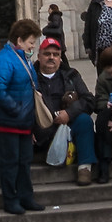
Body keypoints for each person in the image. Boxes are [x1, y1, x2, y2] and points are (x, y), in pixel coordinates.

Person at [0, 16, 44, 215]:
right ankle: (11, 199)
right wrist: (18, 110)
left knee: (24, 161)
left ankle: (26, 197)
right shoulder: (3, 60)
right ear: (19, 40)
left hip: (23, 122)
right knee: (10, 162)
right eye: (30, 42)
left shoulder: (23, 59)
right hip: (8, 122)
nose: (33, 46)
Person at [32, 35, 98, 183]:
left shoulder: (71, 75)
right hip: (42, 127)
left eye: (56, 55)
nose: (51, 58)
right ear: (39, 56)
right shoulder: (30, 77)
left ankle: (85, 168)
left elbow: (88, 100)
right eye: (47, 54)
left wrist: (69, 113)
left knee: (84, 120)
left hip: (68, 123)